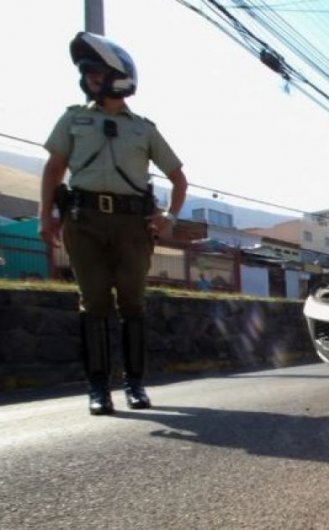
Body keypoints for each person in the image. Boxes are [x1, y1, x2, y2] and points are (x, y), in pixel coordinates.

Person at [39, 32, 188, 414]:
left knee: (133, 305)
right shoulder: (73, 119)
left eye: (95, 73)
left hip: (131, 226)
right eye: (87, 74)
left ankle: (135, 385)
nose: (89, 79)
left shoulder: (144, 128)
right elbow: (54, 169)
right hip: (83, 221)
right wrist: (46, 216)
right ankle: (98, 389)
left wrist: (168, 217)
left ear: (118, 79)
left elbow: (178, 178)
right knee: (93, 304)